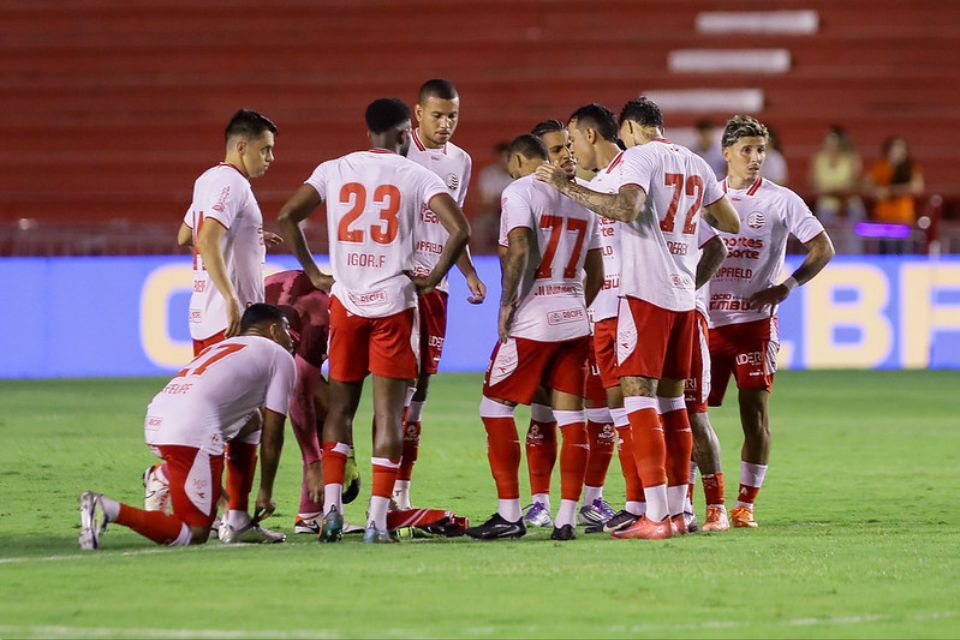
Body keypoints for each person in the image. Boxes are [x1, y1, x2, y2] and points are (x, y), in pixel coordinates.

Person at [535, 96, 740, 539]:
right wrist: (680, 234)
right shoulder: (693, 161)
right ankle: (678, 512)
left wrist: (565, 186)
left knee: (637, 401)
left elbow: (627, 208)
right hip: (683, 298)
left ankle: (655, 515)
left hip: (644, 296)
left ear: (625, 128)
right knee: (672, 405)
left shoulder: (638, 159)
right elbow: (730, 221)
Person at [277, 98, 469, 543]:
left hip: (346, 303)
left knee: (340, 411)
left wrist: (313, 273)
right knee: (388, 416)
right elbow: (458, 229)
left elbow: (288, 216)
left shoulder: (334, 168)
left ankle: (330, 512)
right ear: (405, 134)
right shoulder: (417, 174)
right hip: (393, 306)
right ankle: (379, 520)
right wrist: (433, 277)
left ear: (368, 133)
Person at [149, 110, 282, 537]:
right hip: (229, 317)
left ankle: (237, 518)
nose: (270, 158)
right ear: (241, 146)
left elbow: (185, 234)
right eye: (265, 149)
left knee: (246, 419)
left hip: (205, 315)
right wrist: (230, 298)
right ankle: (166, 478)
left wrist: (250, 237)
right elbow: (206, 237)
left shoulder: (209, 180)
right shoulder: (231, 182)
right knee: (231, 419)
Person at [466, 133, 603, 541]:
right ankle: (565, 518)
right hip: (575, 316)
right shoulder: (583, 195)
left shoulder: (520, 190)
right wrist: (576, 303)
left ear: (519, 160)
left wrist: (508, 304)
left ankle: (509, 514)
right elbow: (596, 271)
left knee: (494, 408)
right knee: (570, 418)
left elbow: (521, 249)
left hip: (534, 318)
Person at [78, 304, 296, 550]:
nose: (291, 339)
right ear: (274, 330)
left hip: (158, 420)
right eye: (289, 330)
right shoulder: (280, 356)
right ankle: (108, 509)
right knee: (195, 532)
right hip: (191, 432)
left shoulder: (224, 346)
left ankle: (234, 516)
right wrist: (265, 490)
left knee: (253, 420)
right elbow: (274, 432)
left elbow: (259, 422)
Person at [707, 115, 835, 528]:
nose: (755, 157)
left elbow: (822, 248)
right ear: (726, 153)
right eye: (746, 150)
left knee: (755, 415)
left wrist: (787, 286)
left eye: (761, 150)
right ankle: (702, 503)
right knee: (690, 414)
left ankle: (745, 504)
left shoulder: (781, 200)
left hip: (755, 325)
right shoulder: (706, 199)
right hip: (705, 322)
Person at [398, 79, 486, 510]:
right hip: (398, 282)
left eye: (453, 115)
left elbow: (456, 225)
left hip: (439, 285)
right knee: (390, 384)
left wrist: (467, 272)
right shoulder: (399, 152)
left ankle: (401, 488)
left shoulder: (461, 161)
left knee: (420, 388)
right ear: (418, 113)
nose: (446, 123)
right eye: (437, 115)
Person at [565, 103, 632, 532]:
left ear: (590, 136)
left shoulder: (631, 175)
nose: (571, 150)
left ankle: (654, 503)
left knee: (635, 408)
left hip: (631, 308)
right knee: (616, 411)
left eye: (572, 140)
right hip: (601, 314)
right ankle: (635, 502)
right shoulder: (602, 182)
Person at [515, 118, 580, 530]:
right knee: (542, 411)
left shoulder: (594, 190)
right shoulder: (528, 197)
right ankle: (539, 502)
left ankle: (591, 500)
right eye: (557, 150)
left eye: (569, 147)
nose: (567, 156)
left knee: (598, 415)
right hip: (544, 316)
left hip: (586, 317)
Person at [263, 270, 361, 534]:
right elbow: (299, 393)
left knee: (330, 411)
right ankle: (166, 478)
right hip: (259, 352)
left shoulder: (320, 304)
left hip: (252, 326)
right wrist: (315, 463)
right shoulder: (322, 317)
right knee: (246, 426)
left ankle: (311, 514)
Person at [683, 225, 729, 532]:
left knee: (694, 416)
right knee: (658, 417)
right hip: (646, 313)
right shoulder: (640, 213)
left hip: (688, 314)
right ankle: (681, 504)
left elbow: (719, 247)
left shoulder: (685, 211)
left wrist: (686, 290)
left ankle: (716, 507)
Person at [809, 126, 865, 225]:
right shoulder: (819, 159)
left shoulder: (851, 158)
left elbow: (857, 181)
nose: (831, 145)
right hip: (826, 203)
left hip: (849, 201)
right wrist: (829, 190)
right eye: (828, 141)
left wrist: (839, 191)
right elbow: (813, 182)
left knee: (855, 215)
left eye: (834, 141)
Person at [865, 135, 924, 226]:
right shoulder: (880, 167)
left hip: (904, 216)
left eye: (901, 148)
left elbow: (917, 187)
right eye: (895, 147)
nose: (898, 151)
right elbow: (866, 184)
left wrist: (889, 190)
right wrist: (875, 190)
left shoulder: (910, 168)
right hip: (882, 216)